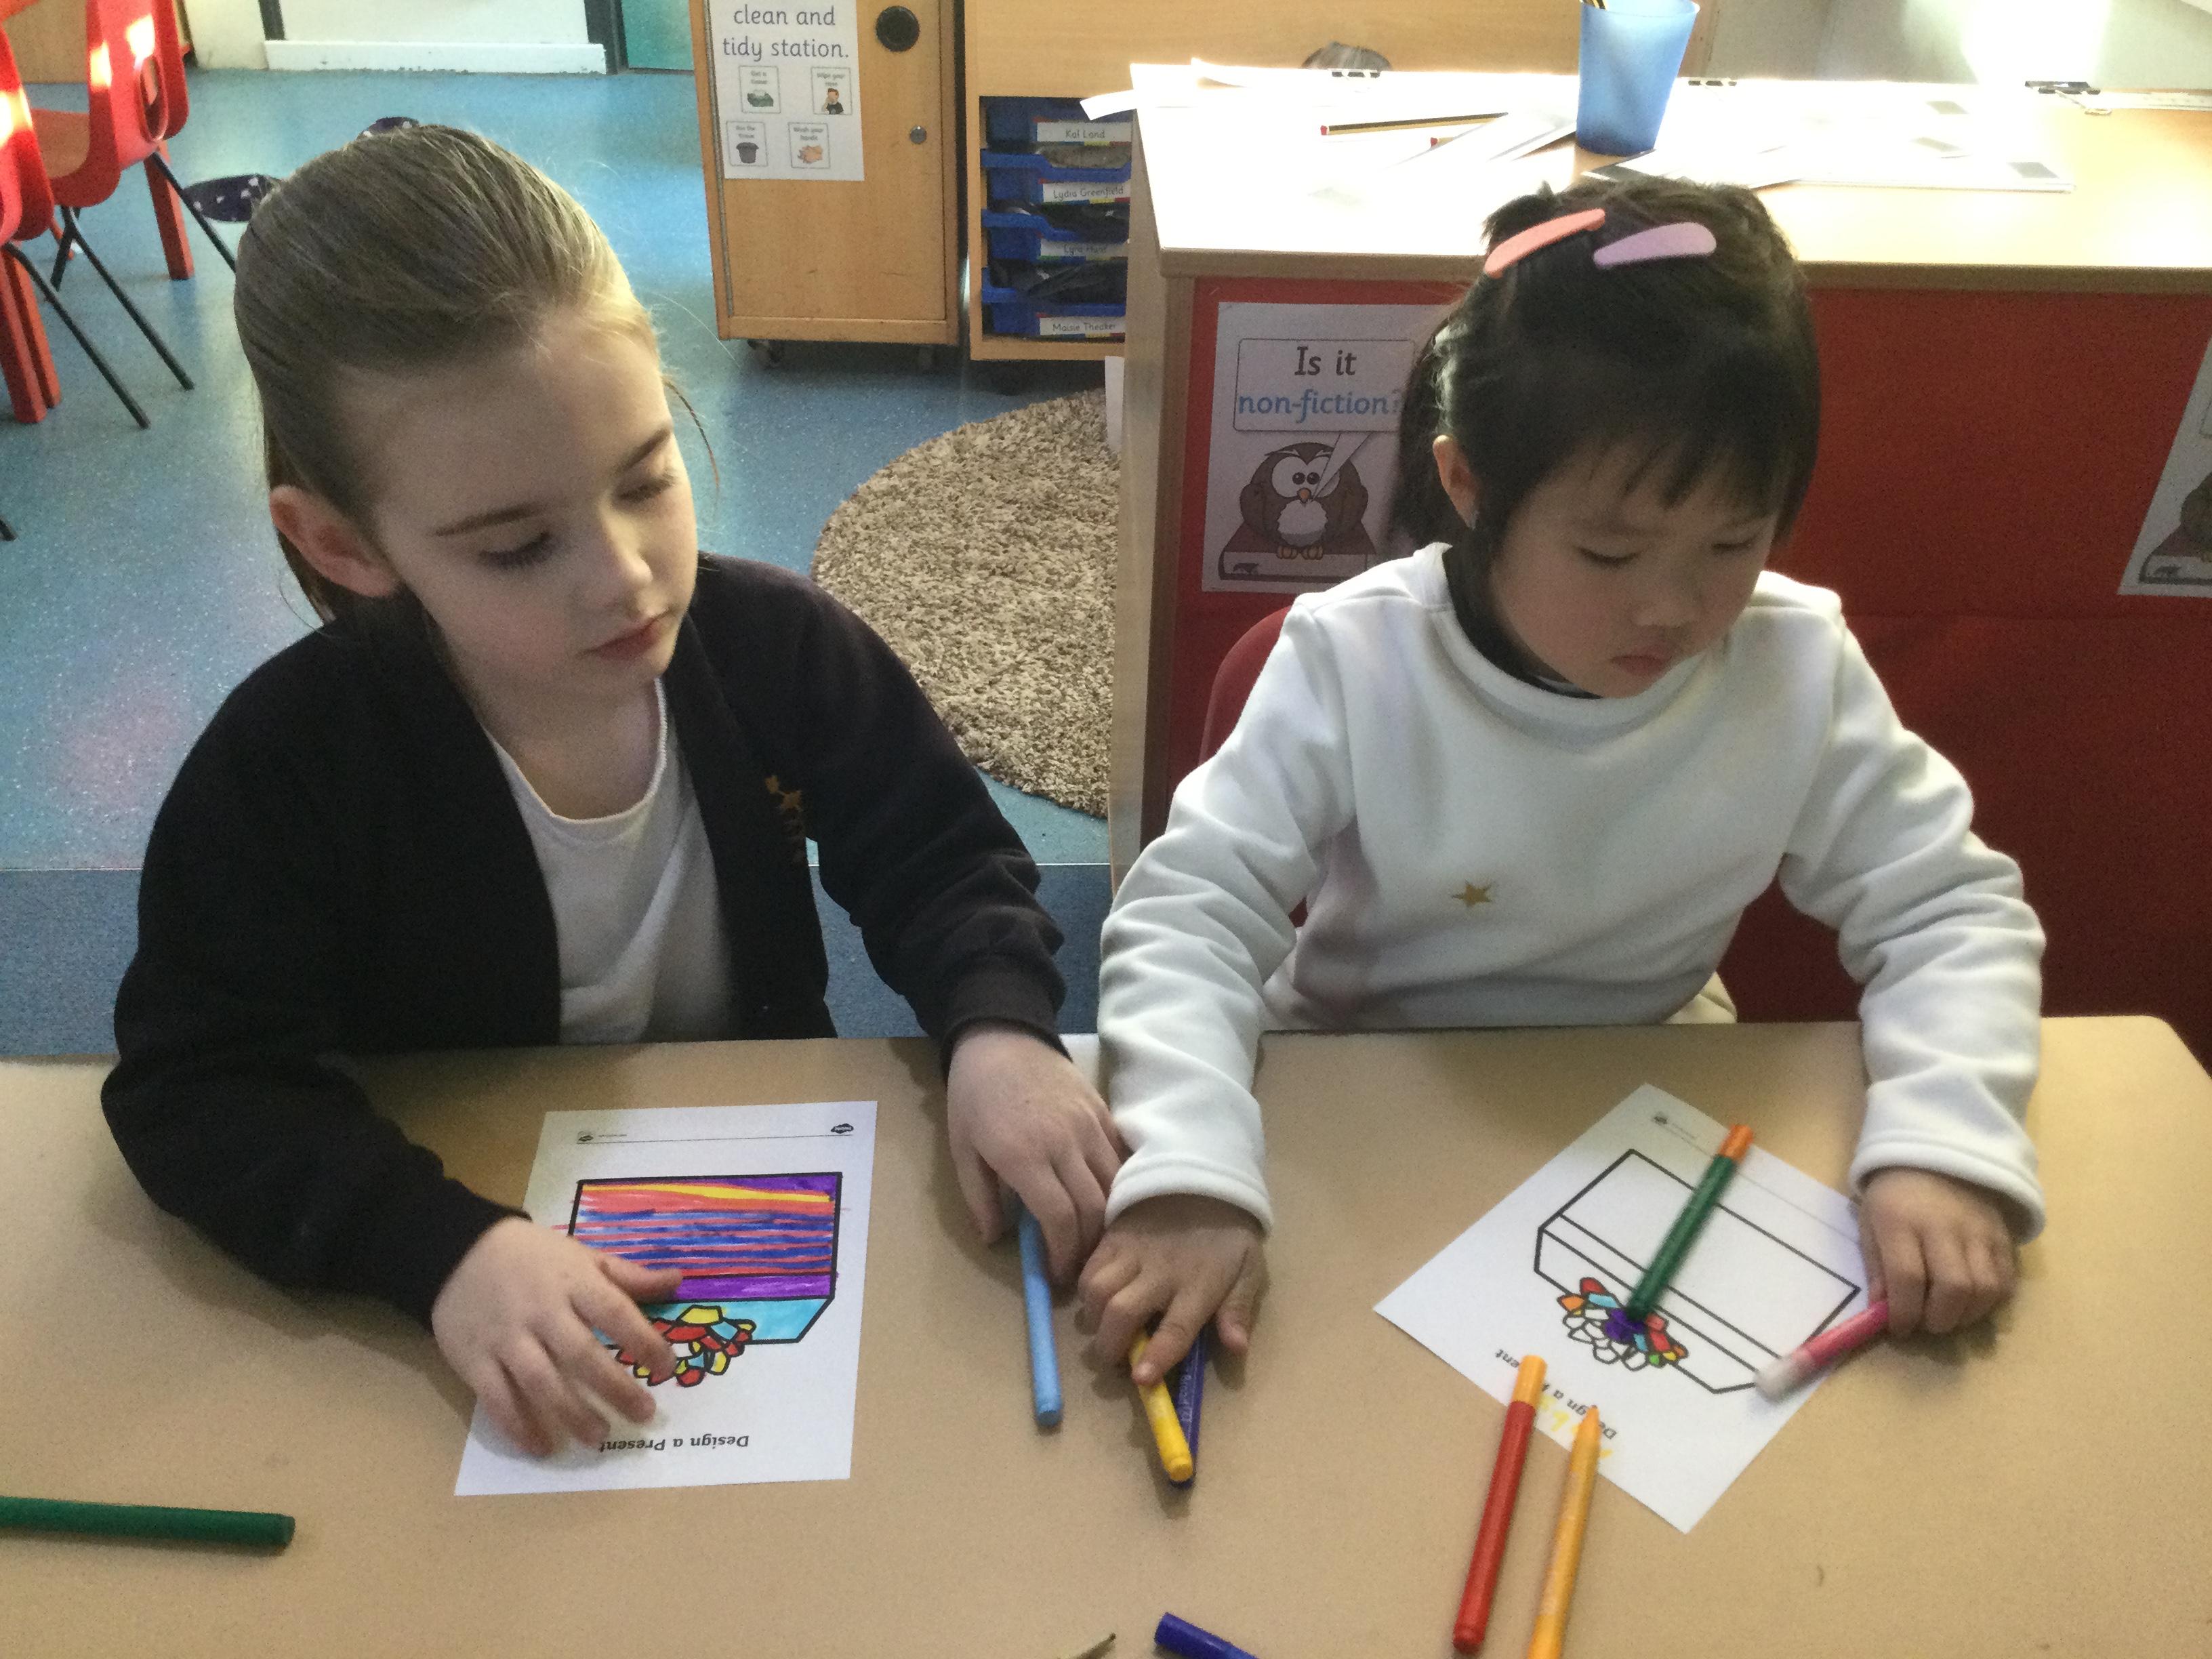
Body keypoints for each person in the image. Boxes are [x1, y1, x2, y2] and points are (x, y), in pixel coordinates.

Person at [102, 126, 1121, 1456]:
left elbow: (940, 861)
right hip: (467, 1207)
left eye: (647, 478)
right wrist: (439, 1250)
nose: (627, 576)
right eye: (519, 546)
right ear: (342, 544)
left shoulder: (776, 648)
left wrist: (997, 1029)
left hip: (741, 1168)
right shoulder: (290, 766)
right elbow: (194, 1087)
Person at [1081, 174, 2045, 1387]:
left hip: (1649, 1088)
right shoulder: (1355, 659)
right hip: (1357, 1074)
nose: (1672, 608)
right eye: (1608, 551)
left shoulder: (1794, 667)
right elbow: (1189, 914)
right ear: (1470, 485)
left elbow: (1949, 911)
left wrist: (1945, 1140)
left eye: (1733, 543)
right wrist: (1189, 1169)